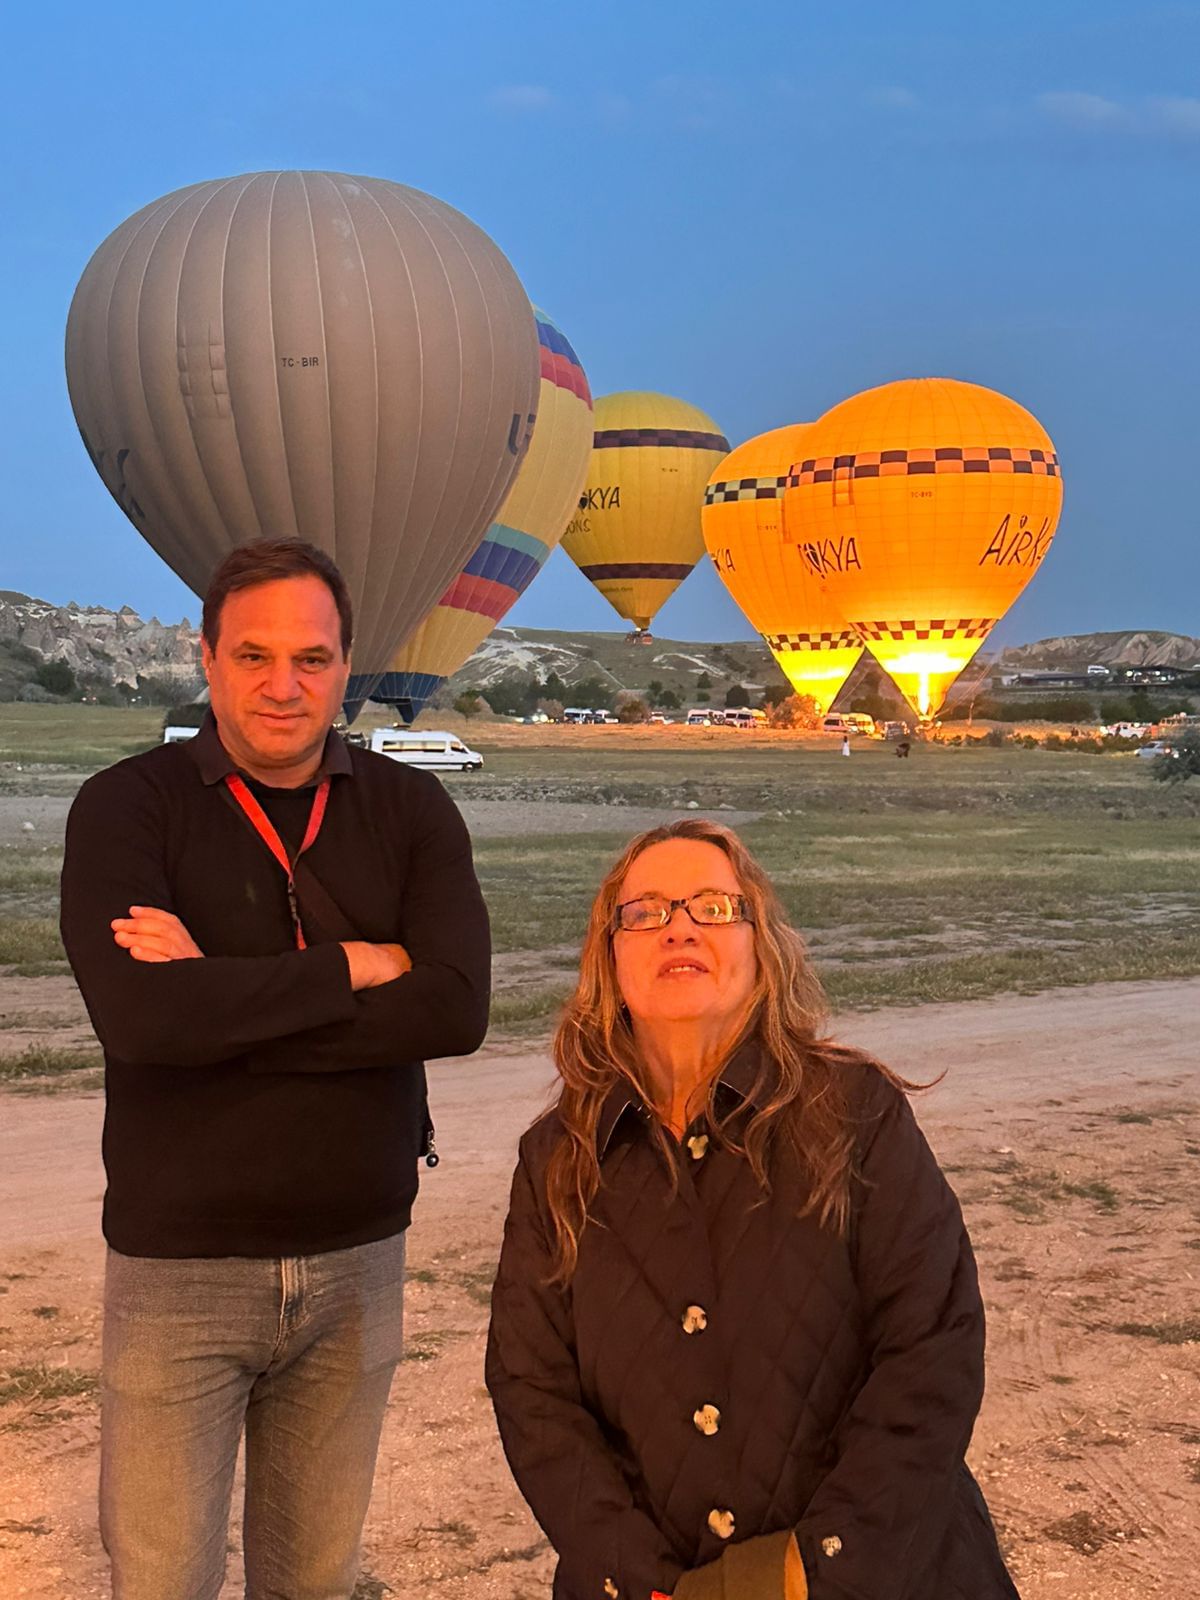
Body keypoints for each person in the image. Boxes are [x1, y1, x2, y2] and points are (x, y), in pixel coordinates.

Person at [60, 538, 490, 1600]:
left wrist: (222, 990)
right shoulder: (127, 807)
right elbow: (142, 1020)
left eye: (311, 657)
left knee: (316, 1580)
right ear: (205, 660)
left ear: (348, 666)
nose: (283, 686)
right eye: (253, 656)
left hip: (357, 1261)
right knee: (161, 1582)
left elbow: (454, 1005)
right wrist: (352, 965)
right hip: (179, 1272)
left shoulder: (411, 810)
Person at [486, 819, 1017, 1600]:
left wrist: (814, 1568)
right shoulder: (558, 1158)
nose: (680, 929)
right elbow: (532, 1392)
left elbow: (931, 1348)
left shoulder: (855, 1115)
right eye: (647, 912)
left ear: (760, 945)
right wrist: (640, 1577)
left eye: (712, 906)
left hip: (881, 1576)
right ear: (610, 955)